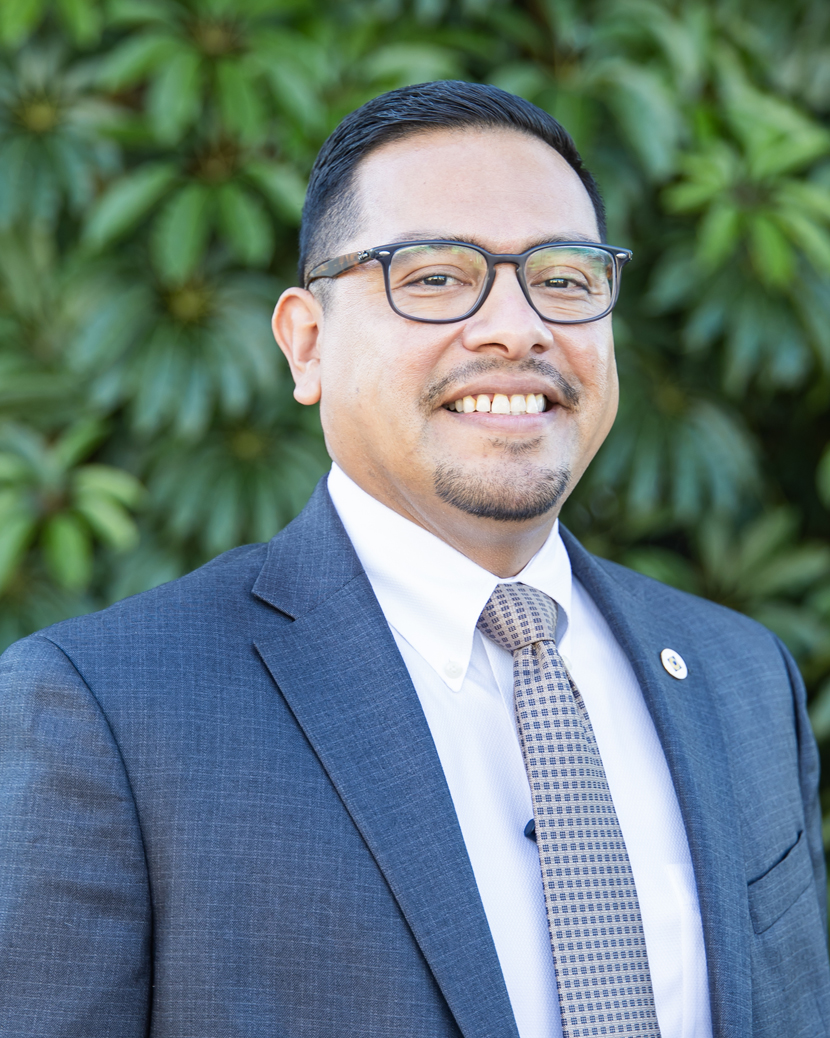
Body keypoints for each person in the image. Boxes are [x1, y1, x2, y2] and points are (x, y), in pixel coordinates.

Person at [0, 80, 828, 1038]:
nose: (518, 327)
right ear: (307, 345)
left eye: (565, 279)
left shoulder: (742, 677)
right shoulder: (107, 710)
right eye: (434, 277)